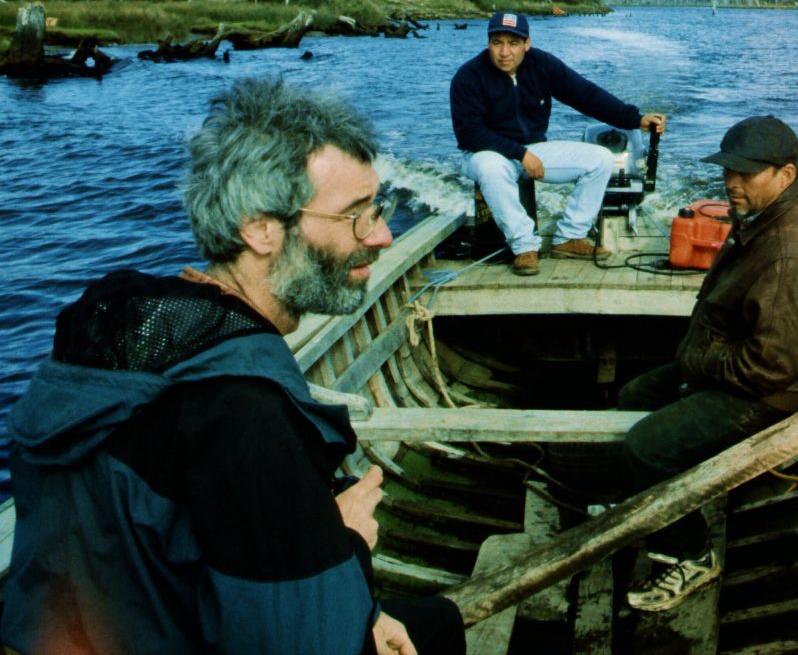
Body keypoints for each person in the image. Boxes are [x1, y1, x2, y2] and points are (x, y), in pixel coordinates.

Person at [0, 77, 465, 655]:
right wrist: (345, 543)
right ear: (260, 228)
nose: (384, 234)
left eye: (379, 209)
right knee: (442, 624)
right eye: (357, 216)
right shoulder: (248, 417)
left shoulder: (108, 337)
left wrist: (363, 605)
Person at [617, 115, 798, 612]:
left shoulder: (791, 255)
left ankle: (693, 554)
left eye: (746, 174)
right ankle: (656, 500)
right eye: (728, 171)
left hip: (773, 393)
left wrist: (699, 363)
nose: (730, 183)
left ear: (785, 175)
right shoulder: (764, 216)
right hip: (735, 364)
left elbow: (771, 368)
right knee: (630, 399)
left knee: (644, 448)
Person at [450, 10, 667, 276]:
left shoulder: (542, 65)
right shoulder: (468, 76)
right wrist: (519, 154)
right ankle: (524, 247)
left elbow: (586, 95)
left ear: (526, 43)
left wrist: (635, 119)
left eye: (513, 43)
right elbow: (469, 134)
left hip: (532, 149)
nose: (505, 52)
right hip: (484, 154)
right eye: (497, 42)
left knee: (600, 159)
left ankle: (569, 237)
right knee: (491, 168)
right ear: (488, 43)